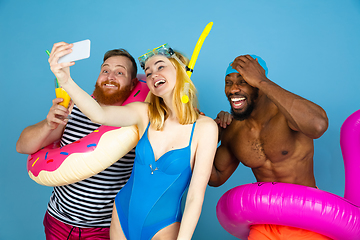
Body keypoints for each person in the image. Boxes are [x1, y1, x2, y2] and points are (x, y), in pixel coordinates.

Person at [47, 43, 218, 240]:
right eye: (149, 71)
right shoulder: (144, 114)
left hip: (163, 227)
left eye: (160, 67)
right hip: (122, 215)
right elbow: (99, 114)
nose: (153, 75)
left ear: (180, 70)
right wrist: (65, 80)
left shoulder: (205, 128)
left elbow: (195, 196)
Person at [16, 42, 139, 240]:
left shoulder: (136, 120)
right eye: (105, 70)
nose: (110, 76)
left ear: (133, 84)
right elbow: (22, 146)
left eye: (120, 72)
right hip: (57, 221)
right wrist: (49, 124)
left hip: (102, 229)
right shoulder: (74, 109)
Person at [209, 55, 330, 239]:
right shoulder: (233, 130)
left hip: (306, 217)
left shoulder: (288, 115)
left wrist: (262, 80)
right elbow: (215, 177)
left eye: (243, 81)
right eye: (228, 82)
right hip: (265, 222)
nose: (233, 89)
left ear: (259, 82)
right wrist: (205, 135)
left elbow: (318, 125)